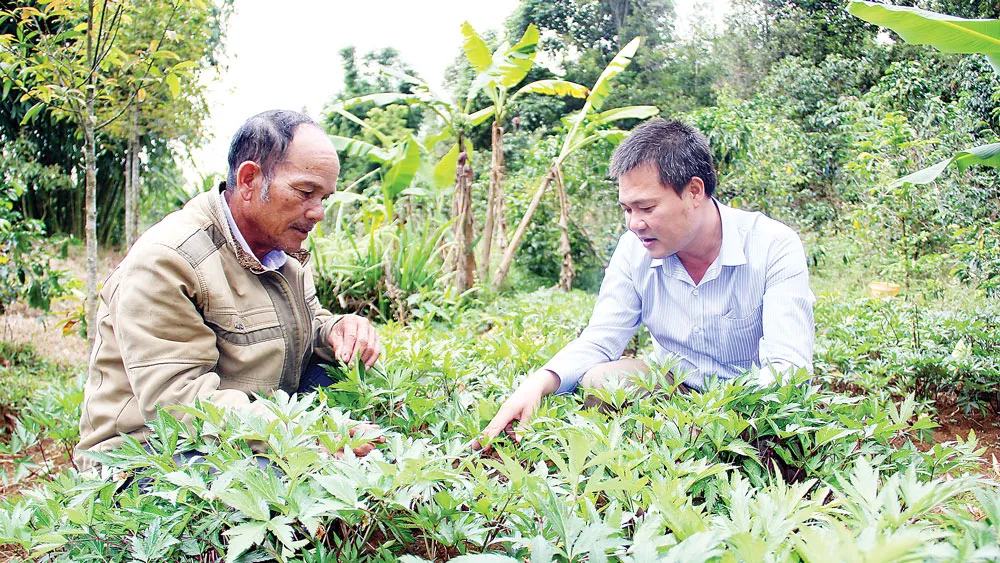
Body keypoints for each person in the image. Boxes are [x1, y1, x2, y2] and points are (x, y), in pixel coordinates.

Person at [478, 118, 815, 446]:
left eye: (646, 207)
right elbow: (600, 340)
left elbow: (787, 370)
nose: (634, 224)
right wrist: (539, 382)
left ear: (694, 192)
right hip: (675, 386)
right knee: (601, 381)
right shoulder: (634, 250)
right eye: (627, 209)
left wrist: (716, 421)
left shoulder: (773, 245)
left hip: (748, 402)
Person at [75, 110, 382, 470]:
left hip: (249, 429)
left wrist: (339, 330)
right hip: (152, 454)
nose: (318, 212)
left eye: (324, 198)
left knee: (348, 372)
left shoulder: (283, 253)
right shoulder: (168, 260)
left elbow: (308, 327)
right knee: (298, 477)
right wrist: (310, 433)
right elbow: (179, 405)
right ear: (249, 179)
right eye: (305, 192)